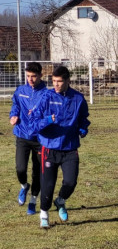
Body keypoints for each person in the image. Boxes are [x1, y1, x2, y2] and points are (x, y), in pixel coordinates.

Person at [31, 66, 90, 229]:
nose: (56, 84)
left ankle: (61, 200)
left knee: (71, 182)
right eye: (53, 81)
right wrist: (47, 120)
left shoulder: (78, 98)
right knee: (48, 186)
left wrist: (83, 128)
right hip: (49, 148)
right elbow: (34, 123)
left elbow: (83, 118)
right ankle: (44, 214)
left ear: (68, 81)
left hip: (70, 148)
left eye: (59, 81)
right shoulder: (46, 97)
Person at [9, 62, 47, 215]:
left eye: (34, 76)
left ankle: (33, 200)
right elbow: (15, 106)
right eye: (28, 76)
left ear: (40, 76)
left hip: (39, 138)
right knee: (20, 168)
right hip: (22, 135)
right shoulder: (20, 90)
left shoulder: (46, 94)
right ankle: (24, 186)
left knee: (37, 171)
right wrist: (13, 115)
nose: (30, 79)